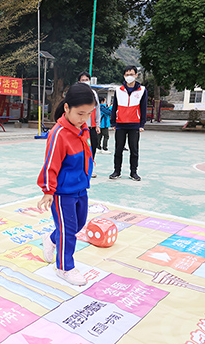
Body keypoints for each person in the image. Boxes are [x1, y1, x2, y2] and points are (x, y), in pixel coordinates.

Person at [37, 82, 96, 286]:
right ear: (66, 108)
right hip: (63, 192)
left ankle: (51, 239)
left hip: (81, 187)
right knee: (68, 230)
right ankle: (64, 267)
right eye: (80, 113)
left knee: (78, 224)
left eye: (88, 114)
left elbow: (86, 153)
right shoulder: (58, 134)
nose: (84, 119)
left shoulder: (84, 129)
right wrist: (48, 191)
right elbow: (51, 163)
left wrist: (88, 171)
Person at [109, 65, 147, 181]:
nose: (129, 77)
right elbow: (114, 106)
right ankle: (117, 171)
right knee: (118, 149)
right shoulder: (118, 90)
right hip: (120, 124)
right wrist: (113, 123)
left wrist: (142, 124)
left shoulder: (142, 90)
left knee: (134, 150)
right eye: (126, 74)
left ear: (136, 75)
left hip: (134, 124)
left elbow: (143, 108)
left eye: (131, 74)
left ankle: (133, 172)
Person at [77, 72, 100, 177]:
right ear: (79, 82)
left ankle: (90, 168)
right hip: (79, 127)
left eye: (87, 80)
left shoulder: (94, 93)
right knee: (79, 148)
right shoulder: (76, 93)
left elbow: (98, 109)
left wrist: (98, 125)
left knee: (92, 147)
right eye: (83, 80)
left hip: (92, 126)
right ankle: (80, 168)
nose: (85, 82)